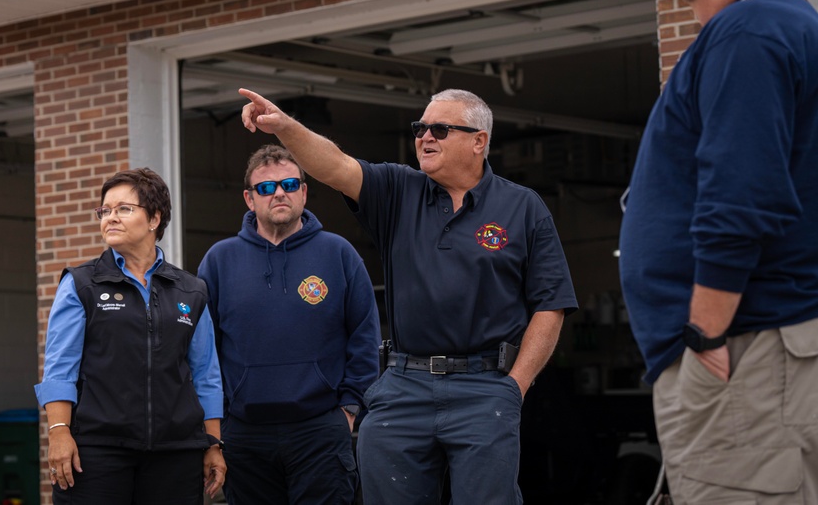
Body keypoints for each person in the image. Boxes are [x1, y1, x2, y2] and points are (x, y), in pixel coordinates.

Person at [239, 88, 577, 504]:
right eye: (421, 128)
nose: (425, 137)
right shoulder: (398, 190)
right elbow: (335, 166)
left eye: (440, 129)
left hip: (486, 387)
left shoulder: (523, 207)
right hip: (404, 385)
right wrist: (285, 127)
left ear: (479, 141)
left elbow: (551, 304)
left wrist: (515, 387)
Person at [619, 0, 818, 504]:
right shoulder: (785, 29)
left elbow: (739, 199)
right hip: (773, 352)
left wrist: (704, 335)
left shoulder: (747, 32)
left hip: (749, 356)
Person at [197, 144, 380, 505]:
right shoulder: (220, 260)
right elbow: (204, 350)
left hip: (321, 429)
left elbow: (365, 336)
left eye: (290, 184)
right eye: (266, 188)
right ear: (249, 199)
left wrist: (348, 410)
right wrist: (215, 430)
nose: (279, 193)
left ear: (304, 192)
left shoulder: (338, 253)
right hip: (245, 433)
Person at [35, 167, 226, 503]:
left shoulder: (191, 291)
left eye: (124, 209)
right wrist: (59, 431)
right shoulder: (81, 285)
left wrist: (212, 443)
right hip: (97, 453)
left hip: (176, 454)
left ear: (154, 219)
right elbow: (59, 368)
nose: (111, 218)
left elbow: (206, 375)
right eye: (105, 211)